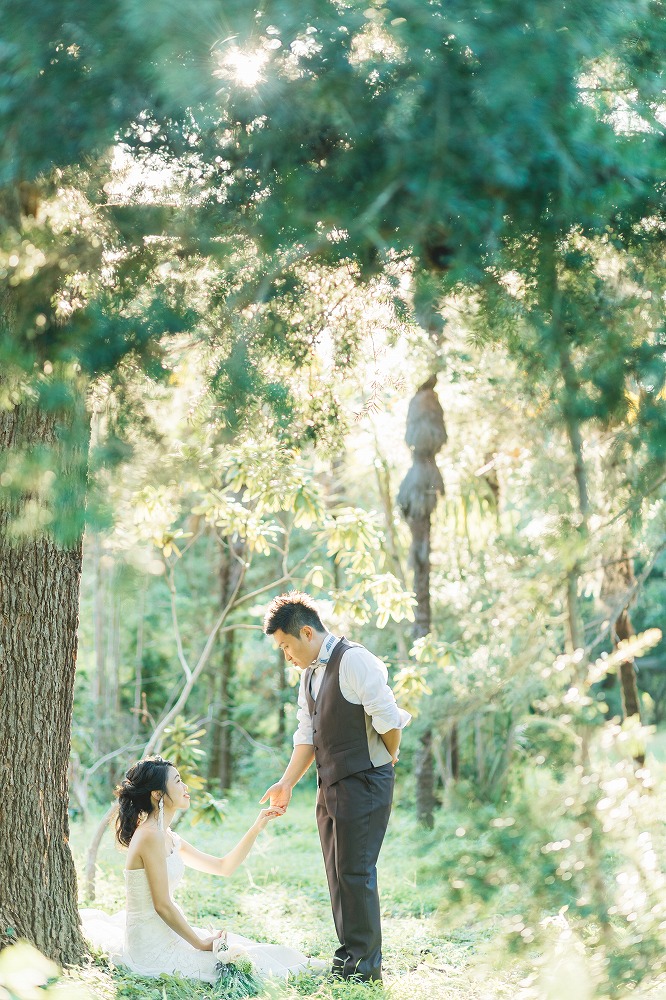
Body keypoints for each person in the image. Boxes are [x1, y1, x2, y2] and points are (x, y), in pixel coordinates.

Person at [261, 591, 411, 982]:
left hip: (364, 779)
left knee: (356, 872)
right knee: (338, 872)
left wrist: (387, 757)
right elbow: (307, 733)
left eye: (287, 646)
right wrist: (286, 782)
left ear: (306, 632)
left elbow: (388, 719)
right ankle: (349, 958)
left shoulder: (354, 660)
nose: (287, 656)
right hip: (331, 784)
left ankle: (364, 969)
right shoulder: (309, 674)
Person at [80, 755, 324, 983]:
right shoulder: (149, 836)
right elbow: (162, 904)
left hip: (169, 932)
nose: (185, 787)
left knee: (255, 951)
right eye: (177, 781)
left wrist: (258, 825)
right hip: (151, 946)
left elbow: (223, 866)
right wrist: (199, 943)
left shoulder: (167, 836)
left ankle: (318, 965)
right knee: (240, 964)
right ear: (158, 794)